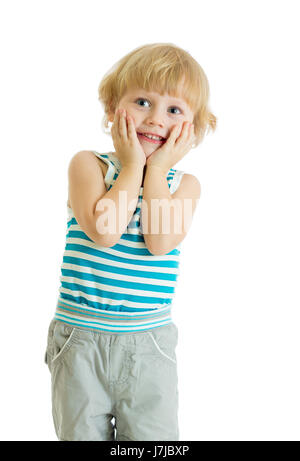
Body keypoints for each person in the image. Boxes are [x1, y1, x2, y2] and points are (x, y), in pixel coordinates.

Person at [44, 42, 217, 441]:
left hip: (148, 343)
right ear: (111, 107)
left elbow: (159, 242)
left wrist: (155, 170)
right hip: (80, 338)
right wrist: (133, 165)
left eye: (174, 110)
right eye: (142, 101)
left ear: (194, 128)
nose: (155, 119)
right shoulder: (89, 165)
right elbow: (104, 233)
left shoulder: (184, 185)